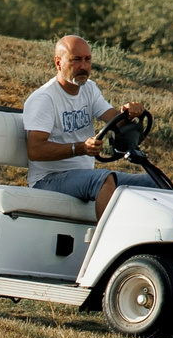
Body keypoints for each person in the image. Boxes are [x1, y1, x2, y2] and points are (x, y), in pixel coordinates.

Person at [22, 34, 148, 218]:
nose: (83, 66)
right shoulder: (44, 98)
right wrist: (80, 148)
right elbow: (35, 150)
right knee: (103, 180)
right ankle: (105, 244)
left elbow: (114, 119)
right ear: (58, 63)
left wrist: (129, 113)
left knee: (153, 182)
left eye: (87, 60)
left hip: (84, 175)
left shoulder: (88, 88)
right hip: (48, 179)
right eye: (76, 60)